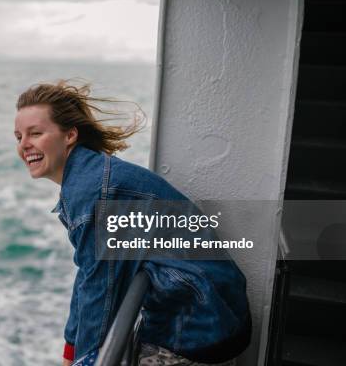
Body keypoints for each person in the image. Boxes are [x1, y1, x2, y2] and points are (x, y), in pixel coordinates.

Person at [13, 81, 251, 366]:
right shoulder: (88, 179)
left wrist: (84, 360)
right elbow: (90, 274)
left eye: (35, 133)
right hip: (212, 311)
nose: (24, 144)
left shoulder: (92, 193)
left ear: (70, 135)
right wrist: (71, 348)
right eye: (18, 136)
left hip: (201, 322)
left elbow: (101, 290)